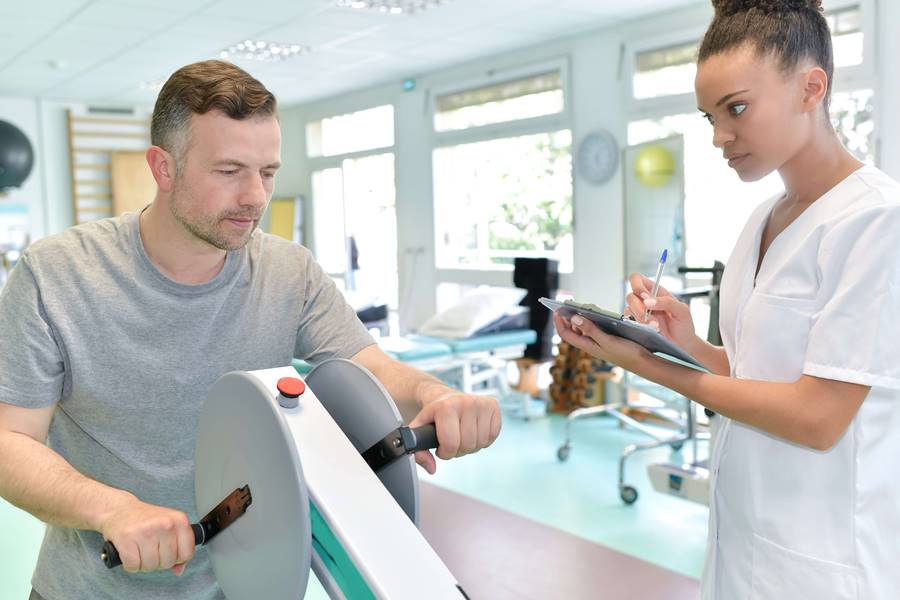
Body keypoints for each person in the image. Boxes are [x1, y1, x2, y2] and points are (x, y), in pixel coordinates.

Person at [0, 60, 500, 600]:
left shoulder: (290, 271)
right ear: (163, 168)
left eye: (267, 172)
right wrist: (110, 508)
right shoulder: (55, 274)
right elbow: (9, 440)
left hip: (245, 586)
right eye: (229, 170)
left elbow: (367, 364)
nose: (256, 197)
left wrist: (436, 394)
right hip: (89, 588)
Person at [555, 1, 900, 598]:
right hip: (740, 546)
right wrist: (680, 342)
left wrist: (655, 368)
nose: (719, 136)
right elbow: (752, 375)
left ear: (810, 88)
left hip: (827, 565)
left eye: (736, 108)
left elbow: (819, 417)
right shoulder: (762, 219)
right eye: (709, 116)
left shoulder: (875, 221)